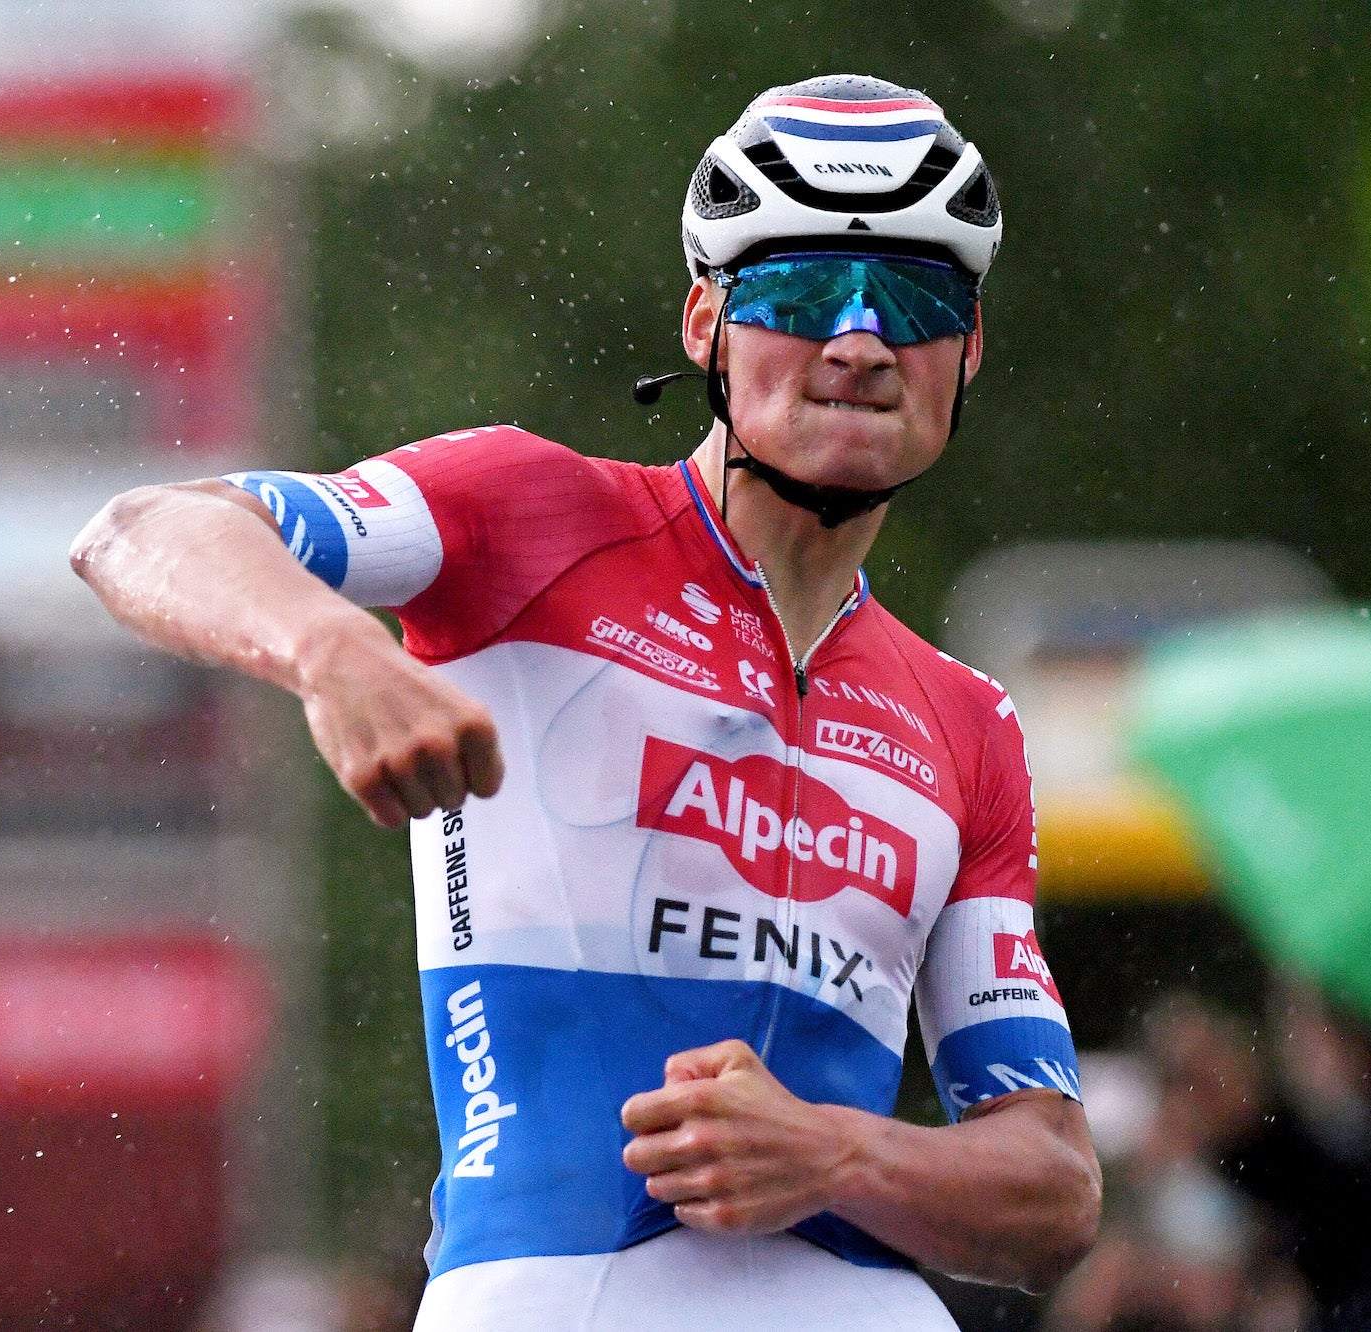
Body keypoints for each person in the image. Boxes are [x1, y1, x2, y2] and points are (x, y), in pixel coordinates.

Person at [70, 75, 1101, 1331]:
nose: (858, 341)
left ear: (969, 350)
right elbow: (141, 529)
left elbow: (1051, 1188)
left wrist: (836, 1154)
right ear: (703, 322)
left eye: (915, 298)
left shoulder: (965, 720)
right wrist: (333, 651)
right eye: (795, 291)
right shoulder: (529, 515)